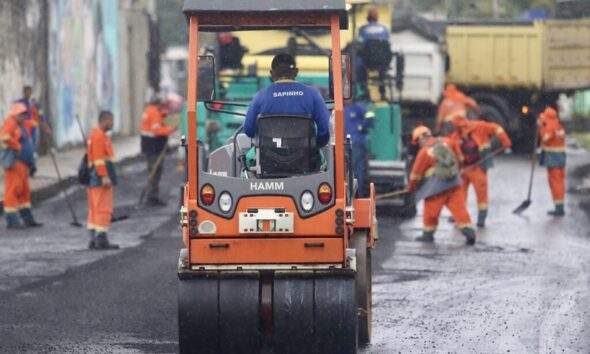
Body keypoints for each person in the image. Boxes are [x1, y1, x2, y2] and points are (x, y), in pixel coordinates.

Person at [407, 125, 476, 245]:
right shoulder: (448, 142)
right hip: (454, 183)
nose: (418, 145)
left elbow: (416, 174)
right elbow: (460, 159)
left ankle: (427, 235)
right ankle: (469, 232)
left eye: (418, 142)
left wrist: (411, 187)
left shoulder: (424, 152)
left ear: (420, 139)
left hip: (436, 189)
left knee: (431, 211)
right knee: (460, 210)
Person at [244, 53, 330, 146]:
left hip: (269, 159)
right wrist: (315, 146)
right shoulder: (313, 95)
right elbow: (325, 129)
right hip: (305, 158)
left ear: (271, 73)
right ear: (296, 71)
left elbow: (249, 130)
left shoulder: (260, 97)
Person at [450, 114, 512, 227]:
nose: (463, 130)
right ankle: (460, 218)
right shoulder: (455, 137)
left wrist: (504, 140)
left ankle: (481, 219)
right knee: (460, 194)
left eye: (464, 127)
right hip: (464, 169)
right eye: (460, 128)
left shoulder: (480, 127)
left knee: (481, 193)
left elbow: (497, 128)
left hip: (478, 166)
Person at [1, 102, 42, 229]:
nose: (24, 116)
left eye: (25, 114)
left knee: (24, 191)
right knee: (13, 190)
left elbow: (34, 123)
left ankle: (28, 219)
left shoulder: (22, 124)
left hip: (24, 164)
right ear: (16, 114)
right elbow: (4, 137)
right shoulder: (11, 122)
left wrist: (36, 112)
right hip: (15, 162)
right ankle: (12, 220)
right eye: (22, 114)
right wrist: (16, 145)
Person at [86, 111, 119, 249]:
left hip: (95, 178)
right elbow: (99, 159)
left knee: (95, 208)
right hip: (100, 179)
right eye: (111, 120)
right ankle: (101, 240)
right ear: (104, 120)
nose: (112, 123)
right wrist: (104, 176)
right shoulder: (99, 136)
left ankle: (93, 239)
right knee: (103, 208)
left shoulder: (97, 135)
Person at [140, 98, 175, 206]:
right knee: (155, 172)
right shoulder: (154, 113)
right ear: (159, 104)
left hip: (149, 146)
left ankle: (152, 196)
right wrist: (169, 129)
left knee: (153, 171)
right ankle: (152, 197)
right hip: (154, 147)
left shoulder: (148, 111)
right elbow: (156, 130)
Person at [357, 7, 392, 101]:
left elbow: (360, 45)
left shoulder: (363, 29)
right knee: (383, 67)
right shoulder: (384, 29)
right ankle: (383, 92)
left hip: (368, 62)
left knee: (358, 63)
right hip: (382, 62)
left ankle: (365, 91)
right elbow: (388, 45)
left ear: (367, 17)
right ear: (377, 17)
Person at [538, 107, 566, 216]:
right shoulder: (558, 124)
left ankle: (559, 209)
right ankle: (559, 207)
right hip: (560, 157)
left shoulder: (550, 126)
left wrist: (541, 127)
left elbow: (545, 138)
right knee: (559, 182)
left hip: (553, 158)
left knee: (555, 183)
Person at [345, 99, 374, 197]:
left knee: (357, 171)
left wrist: (362, 126)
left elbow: (370, 116)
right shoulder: (341, 109)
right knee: (348, 170)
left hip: (356, 144)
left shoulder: (357, 108)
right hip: (345, 144)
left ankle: (358, 195)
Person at [16, 86, 42, 151]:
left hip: (32, 126)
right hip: (24, 126)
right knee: (25, 142)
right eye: (27, 92)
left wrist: (41, 120)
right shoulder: (20, 102)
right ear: (24, 93)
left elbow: (40, 113)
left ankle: (32, 155)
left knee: (33, 142)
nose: (28, 94)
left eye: (29, 92)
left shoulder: (34, 103)